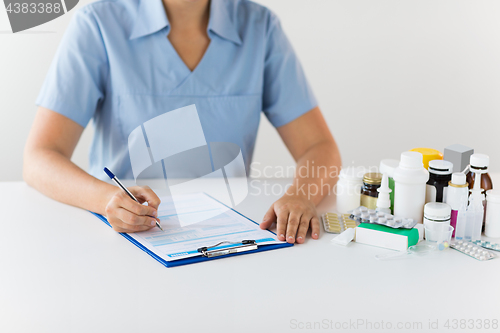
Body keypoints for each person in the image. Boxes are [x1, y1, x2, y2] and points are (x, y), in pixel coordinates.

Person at [24, 0, 341, 244]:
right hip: (124, 240)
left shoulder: (260, 27)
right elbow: (39, 157)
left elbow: (319, 146)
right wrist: (106, 198)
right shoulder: (97, 24)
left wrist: (301, 194)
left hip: (230, 236)